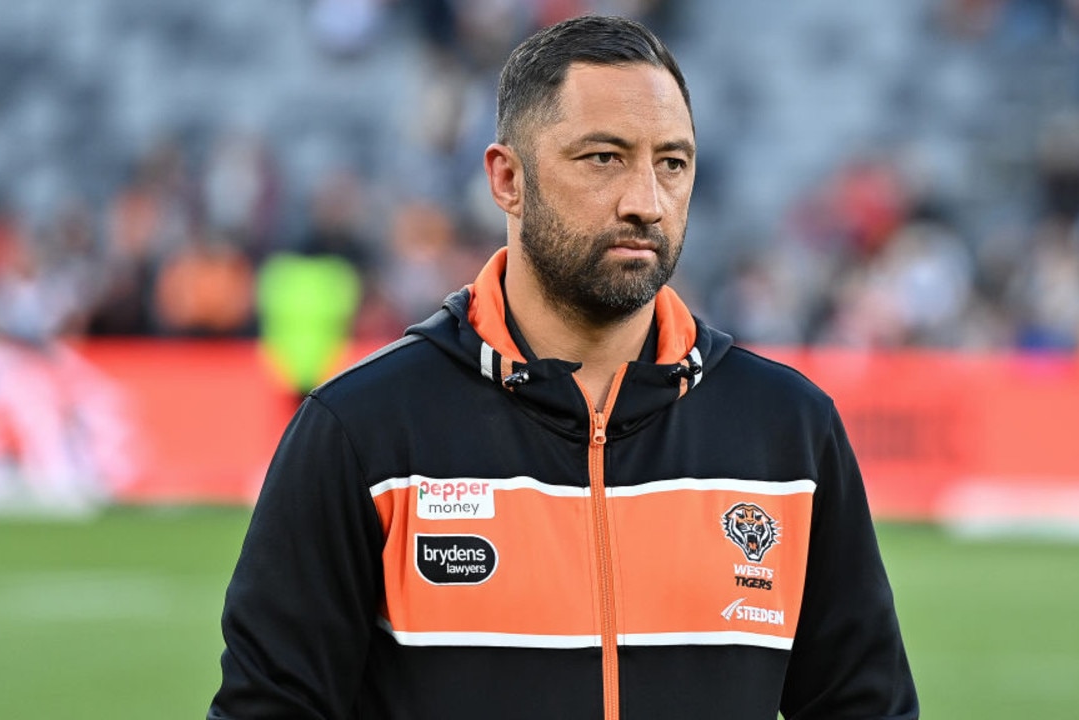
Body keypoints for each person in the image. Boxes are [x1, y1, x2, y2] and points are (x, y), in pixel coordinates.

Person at [209, 15, 918, 720]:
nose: (646, 201)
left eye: (672, 162)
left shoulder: (787, 431)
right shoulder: (362, 433)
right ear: (507, 178)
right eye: (604, 157)